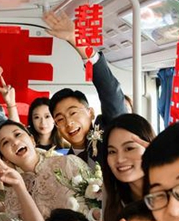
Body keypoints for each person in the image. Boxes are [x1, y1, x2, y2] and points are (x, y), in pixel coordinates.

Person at [43, 11, 127, 167]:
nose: (68, 123)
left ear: (91, 113)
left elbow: (109, 90)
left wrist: (76, 40)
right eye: (60, 119)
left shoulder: (108, 134)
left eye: (73, 113)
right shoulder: (63, 166)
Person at [101, 114, 154, 221]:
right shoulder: (113, 197)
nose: (119, 159)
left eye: (129, 148)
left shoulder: (170, 192)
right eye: (112, 151)